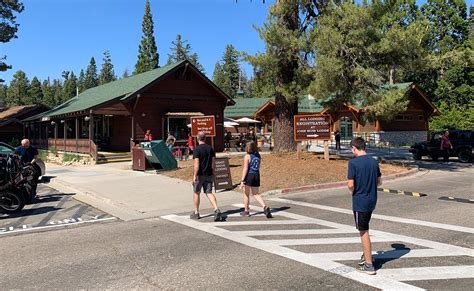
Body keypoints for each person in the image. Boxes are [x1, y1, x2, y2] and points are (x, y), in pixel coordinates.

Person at [347, 137, 382, 275]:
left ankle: (369, 264)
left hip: (360, 201)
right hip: (372, 200)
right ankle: (366, 254)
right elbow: (379, 181)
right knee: (366, 226)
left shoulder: (353, 163)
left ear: (354, 148)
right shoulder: (374, 162)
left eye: (352, 149)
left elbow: (351, 184)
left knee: (363, 231)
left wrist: (352, 190)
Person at [190, 132, 222, 221]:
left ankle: (196, 212)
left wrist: (194, 175)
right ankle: (216, 209)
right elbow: (213, 161)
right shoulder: (211, 148)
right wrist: (213, 172)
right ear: (205, 138)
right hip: (209, 174)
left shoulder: (197, 150)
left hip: (200, 175)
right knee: (209, 192)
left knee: (196, 192)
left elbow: (196, 164)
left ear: (197, 138)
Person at [239, 141, 272, 218]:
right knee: (256, 194)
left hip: (249, 175)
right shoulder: (258, 155)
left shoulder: (247, 156)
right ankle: (265, 206)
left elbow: (245, 168)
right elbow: (259, 166)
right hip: (256, 174)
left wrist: (242, 180)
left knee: (246, 194)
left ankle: (246, 211)